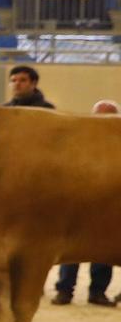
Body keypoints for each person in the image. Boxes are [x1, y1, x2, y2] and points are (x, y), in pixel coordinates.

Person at [54, 99, 118, 306]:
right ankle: (64, 290)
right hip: (77, 205)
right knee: (71, 249)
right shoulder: (76, 141)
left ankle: (98, 291)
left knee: (104, 250)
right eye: (100, 116)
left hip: (108, 205)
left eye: (110, 117)